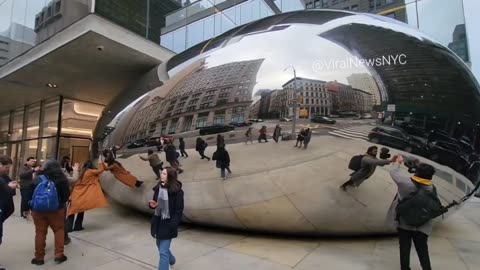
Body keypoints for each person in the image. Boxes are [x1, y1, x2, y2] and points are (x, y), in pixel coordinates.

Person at [387, 156, 436, 270]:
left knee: (404, 247)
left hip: (404, 222)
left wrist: (398, 162)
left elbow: (394, 172)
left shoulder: (404, 183)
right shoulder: (432, 188)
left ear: (417, 172)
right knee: (422, 249)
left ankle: (405, 268)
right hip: (423, 224)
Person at [24, 160, 70, 265]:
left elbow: (29, 194)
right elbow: (66, 195)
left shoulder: (38, 179)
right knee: (59, 230)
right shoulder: (62, 179)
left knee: (40, 233)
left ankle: (39, 258)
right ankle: (59, 254)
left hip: (38, 210)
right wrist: (60, 203)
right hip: (56, 210)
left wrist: (29, 206)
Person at [148, 167, 184, 270]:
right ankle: (172, 259)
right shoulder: (158, 188)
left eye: (164, 174)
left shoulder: (178, 192)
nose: (161, 175)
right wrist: (152, 205)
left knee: (163, 252)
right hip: (158, 221)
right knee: (160, 246)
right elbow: (155, 203)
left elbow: (179, 210)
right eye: (162, 173)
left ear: (170, 177)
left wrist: (173, 224)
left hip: (168, 223)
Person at [67, 159, 108, 232]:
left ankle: (68, 228)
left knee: (72, 211)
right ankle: (78, 226)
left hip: (76, 193)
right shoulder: (90, 171)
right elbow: (101, 170)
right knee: (81, 210)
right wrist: (100, 162)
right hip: (83, 194)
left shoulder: (81, 172)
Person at [0, 155, 16, 262]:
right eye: (6, 167)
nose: (8, 169)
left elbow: (10, 191)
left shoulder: (4, 177)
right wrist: (9, 187)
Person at [63, 163, 80, 245]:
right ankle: (64, 239)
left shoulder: (42, 176)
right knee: (61, 223)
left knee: (41, 232)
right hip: (60, 203)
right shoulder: (61, 176)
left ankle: (39, 254)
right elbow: (74, 180)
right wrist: (75, 170)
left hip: (46, 205)